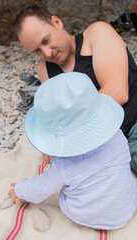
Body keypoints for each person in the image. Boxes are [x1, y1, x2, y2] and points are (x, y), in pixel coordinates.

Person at [12, 3, 137, 173]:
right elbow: (58, 118)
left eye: (46, 41)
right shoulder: (44, 69)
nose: (47, 53)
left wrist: (69, 136)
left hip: (132, 124)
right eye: (37, 51)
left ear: (57, 22)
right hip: (98, 145)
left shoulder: (96, 34)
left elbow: (117, 93)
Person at [8, 72, 137, 230]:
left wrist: (20, 189)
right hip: (127, 207)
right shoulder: (118, 136)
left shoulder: (63, 167)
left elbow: (40, 188)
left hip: (86, 215)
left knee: (62, 185)